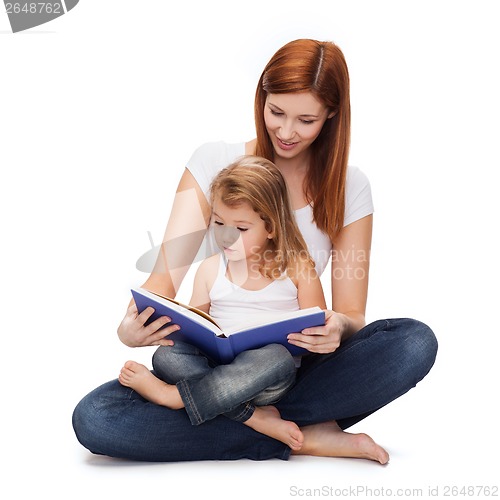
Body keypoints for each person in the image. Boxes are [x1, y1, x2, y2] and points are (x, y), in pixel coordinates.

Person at [72, 38, 437, 464]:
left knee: (412, 342)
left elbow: (352, 315)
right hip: (211, 368)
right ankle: (288, 430)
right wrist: (128, 330)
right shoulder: (214, 162)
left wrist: (336, 327)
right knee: (96, 418)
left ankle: (227, 416)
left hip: (288, 366)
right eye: (276, 111)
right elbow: (162, 283)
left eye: (305, 120)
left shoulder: (350, 188)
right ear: (261, 97)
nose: (285, 132)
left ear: (332, 114)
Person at [118, 157, 328, 451]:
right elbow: (193, 326)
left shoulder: (297, 269)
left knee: (277, 358)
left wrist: (314, 338)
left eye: (241, 228)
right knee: (167, 357)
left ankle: (173, 397)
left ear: (271, 227)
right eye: (218, 223)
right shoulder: (210, 270)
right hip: (215, 369)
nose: (226, 236)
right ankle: (253, 419)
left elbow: (319, 333)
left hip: (264, 378)